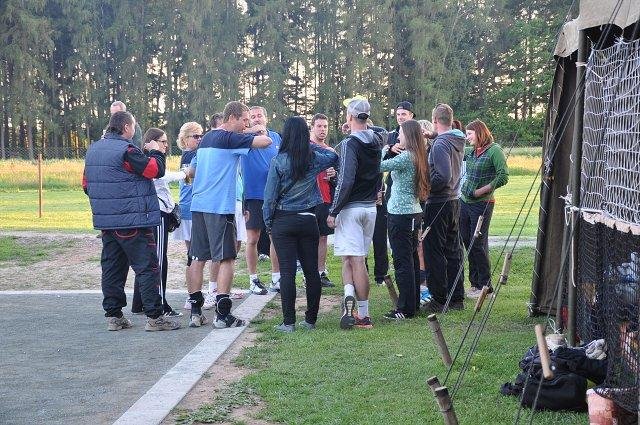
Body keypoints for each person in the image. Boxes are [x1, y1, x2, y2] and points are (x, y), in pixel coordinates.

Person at [82, 111, 180, 331]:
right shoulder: (127, 150)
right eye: (133, 126)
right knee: (147, 268)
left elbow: (86, 185)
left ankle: (114, 316)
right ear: (126, 127)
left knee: (112, 269)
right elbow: (155, 170)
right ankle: (155, 317)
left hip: (107, 222)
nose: (134, 130)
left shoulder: (93, 150)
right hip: (133, 220)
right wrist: (156, 152)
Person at [186, 101, 272, 328]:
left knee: (197, 257)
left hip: (199, 205)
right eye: (244, 120)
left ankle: (195, 312)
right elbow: (266, 142)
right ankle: (223, 315)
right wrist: (256, 130)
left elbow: (192, 170)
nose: (246, 124)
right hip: (219, 207)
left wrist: (247, 131)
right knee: (226, 258)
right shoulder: (230, 139)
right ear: (232, 117)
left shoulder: (207, 138)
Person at [263, 116, 339, 332]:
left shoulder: (278, 161)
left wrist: (268, 223)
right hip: (308, 219)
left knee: (287, 272)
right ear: (306, 135)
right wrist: (311, 146)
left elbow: (269, 197)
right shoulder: (313, 158)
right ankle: (310, 320)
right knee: (311, 271)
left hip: (283, 219)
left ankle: (288, 322)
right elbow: (333, 156)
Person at [328, 96, 386, 329]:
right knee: (352, 257)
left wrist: (334, 210)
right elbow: (382, 130)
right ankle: (349, 297)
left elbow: (346, 179)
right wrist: (360, 124)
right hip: (370, 207)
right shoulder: (377, 139)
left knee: (356, 260)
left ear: (349, 116)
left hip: (350, 208)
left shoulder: (350, 144)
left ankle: (363, 313)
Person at [131, 128, 186, 317]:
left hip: (150, 213)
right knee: (158, 260)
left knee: (148, 260)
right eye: (162, 141)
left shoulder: (143, 158)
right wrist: (185, 173)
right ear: (153, 142)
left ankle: (140, 303)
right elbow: (161, 175)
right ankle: (160, 304)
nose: (166, 145)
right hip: (157, 213)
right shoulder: (151, 158)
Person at [380, 120, 430, 319]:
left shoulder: (406, 157)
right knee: (411, 260)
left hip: (400, 214)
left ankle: (405, 309)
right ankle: (413, 303)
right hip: (413, 212)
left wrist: (385, 149)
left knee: (403, 262)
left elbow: (379, 166)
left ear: (408, 136)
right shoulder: (418, 155)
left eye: (400, 133)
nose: (398, 136)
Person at [422, 103, 466, 313]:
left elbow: (443, 176)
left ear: (434, 120)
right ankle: (456, 298)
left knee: (434, 252)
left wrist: (424, 187)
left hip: (439, 202)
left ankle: (439, 299)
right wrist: (432, 135)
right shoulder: (457, 138)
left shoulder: (440, 144)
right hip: (454, 201)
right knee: (453, 251)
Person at [460, 120, 508, 298]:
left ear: (479, 133)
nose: (467, 137)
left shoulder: (494, 150)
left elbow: (503, 176)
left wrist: (482, 190)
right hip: (464, 202)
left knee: (477, 243)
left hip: (482, 204)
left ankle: (486, 287)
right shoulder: (472, 151)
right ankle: (474, 284)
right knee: (467, 240)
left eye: (469, 134)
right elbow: (455, 148)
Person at [242, 106, 282, 294]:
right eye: (253, 116)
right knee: (253, 238)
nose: (257, 118)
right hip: (253, 195)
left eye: (260, 116)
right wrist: (252, 131)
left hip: (275, 195)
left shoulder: (276, 138)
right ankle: (253, 279)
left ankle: (276, 277)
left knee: (275, 237)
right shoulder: (245, 139)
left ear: (266, 118)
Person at [310, 113, 337, 287]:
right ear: (312, 127)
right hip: (309, 199)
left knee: (323, 237)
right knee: (309, 238)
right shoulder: (306, 147)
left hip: (325, 198)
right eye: (319, 126)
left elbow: (337, 178)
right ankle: (309, 273)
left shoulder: (330, 151)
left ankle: (321, 272)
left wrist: (334, 174)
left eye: (325, 126)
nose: (322, 129)